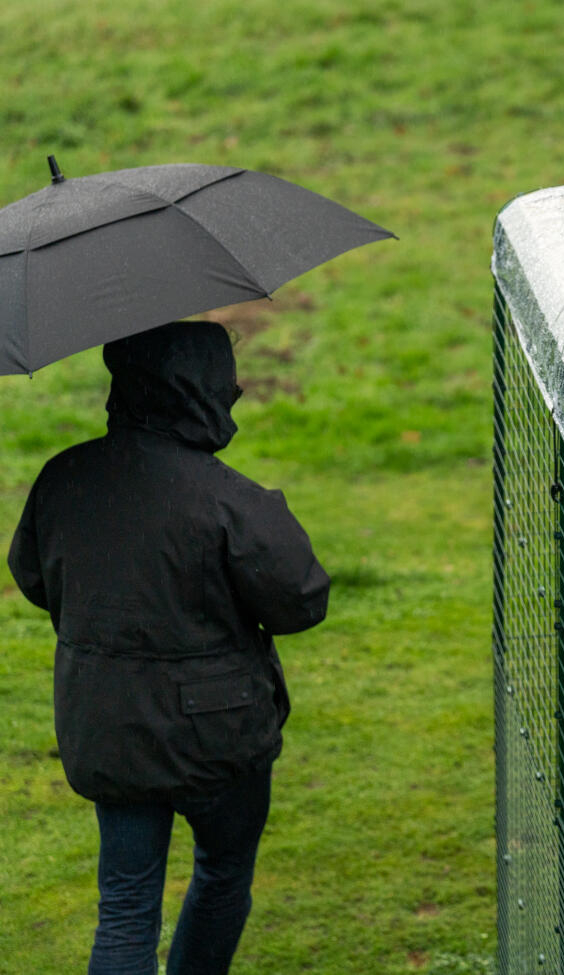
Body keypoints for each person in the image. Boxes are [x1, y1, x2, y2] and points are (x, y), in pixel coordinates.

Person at [7, 321, 330, 975]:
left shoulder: (63, 477)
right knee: (221, 871)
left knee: (125, 909)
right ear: (202, 391)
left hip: (107, 727)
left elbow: (33, 575)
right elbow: (300, 601)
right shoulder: (230, 498)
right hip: (220, 731)